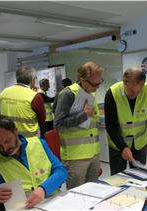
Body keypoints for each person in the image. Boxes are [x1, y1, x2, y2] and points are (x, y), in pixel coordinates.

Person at [0, 115, 68, 209]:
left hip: (54, 203)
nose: (5, 148)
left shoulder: (39, 144)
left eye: (7, 141)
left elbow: (61, 171)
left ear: (15, 131)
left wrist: (43, 189)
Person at [54, 61, 103, 189]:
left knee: (93, 192)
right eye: (95, 84)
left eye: (100, 82)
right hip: (75, 157)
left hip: (93, 154)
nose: (97, 87)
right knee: (76, 197)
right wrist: (84, 115)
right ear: (83, 79)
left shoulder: (91, 93)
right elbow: (58, 124)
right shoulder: (68, 94)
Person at [104, 67, 147, 175]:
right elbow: (111, 125)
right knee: (118, 179)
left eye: (137, 91)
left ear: (142, 84)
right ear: (124, 82)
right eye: (130, 90)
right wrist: (123, 147)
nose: (132, 94)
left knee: (140, 176)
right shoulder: (112, 93)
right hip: (117, 146)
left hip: (140, 145)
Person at [0, 66, 46, 138]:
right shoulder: (35, 96)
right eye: (35, 78)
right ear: (32, 79)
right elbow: (42, 121)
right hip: (29, 142)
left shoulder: (3, 93)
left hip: (8, 140)